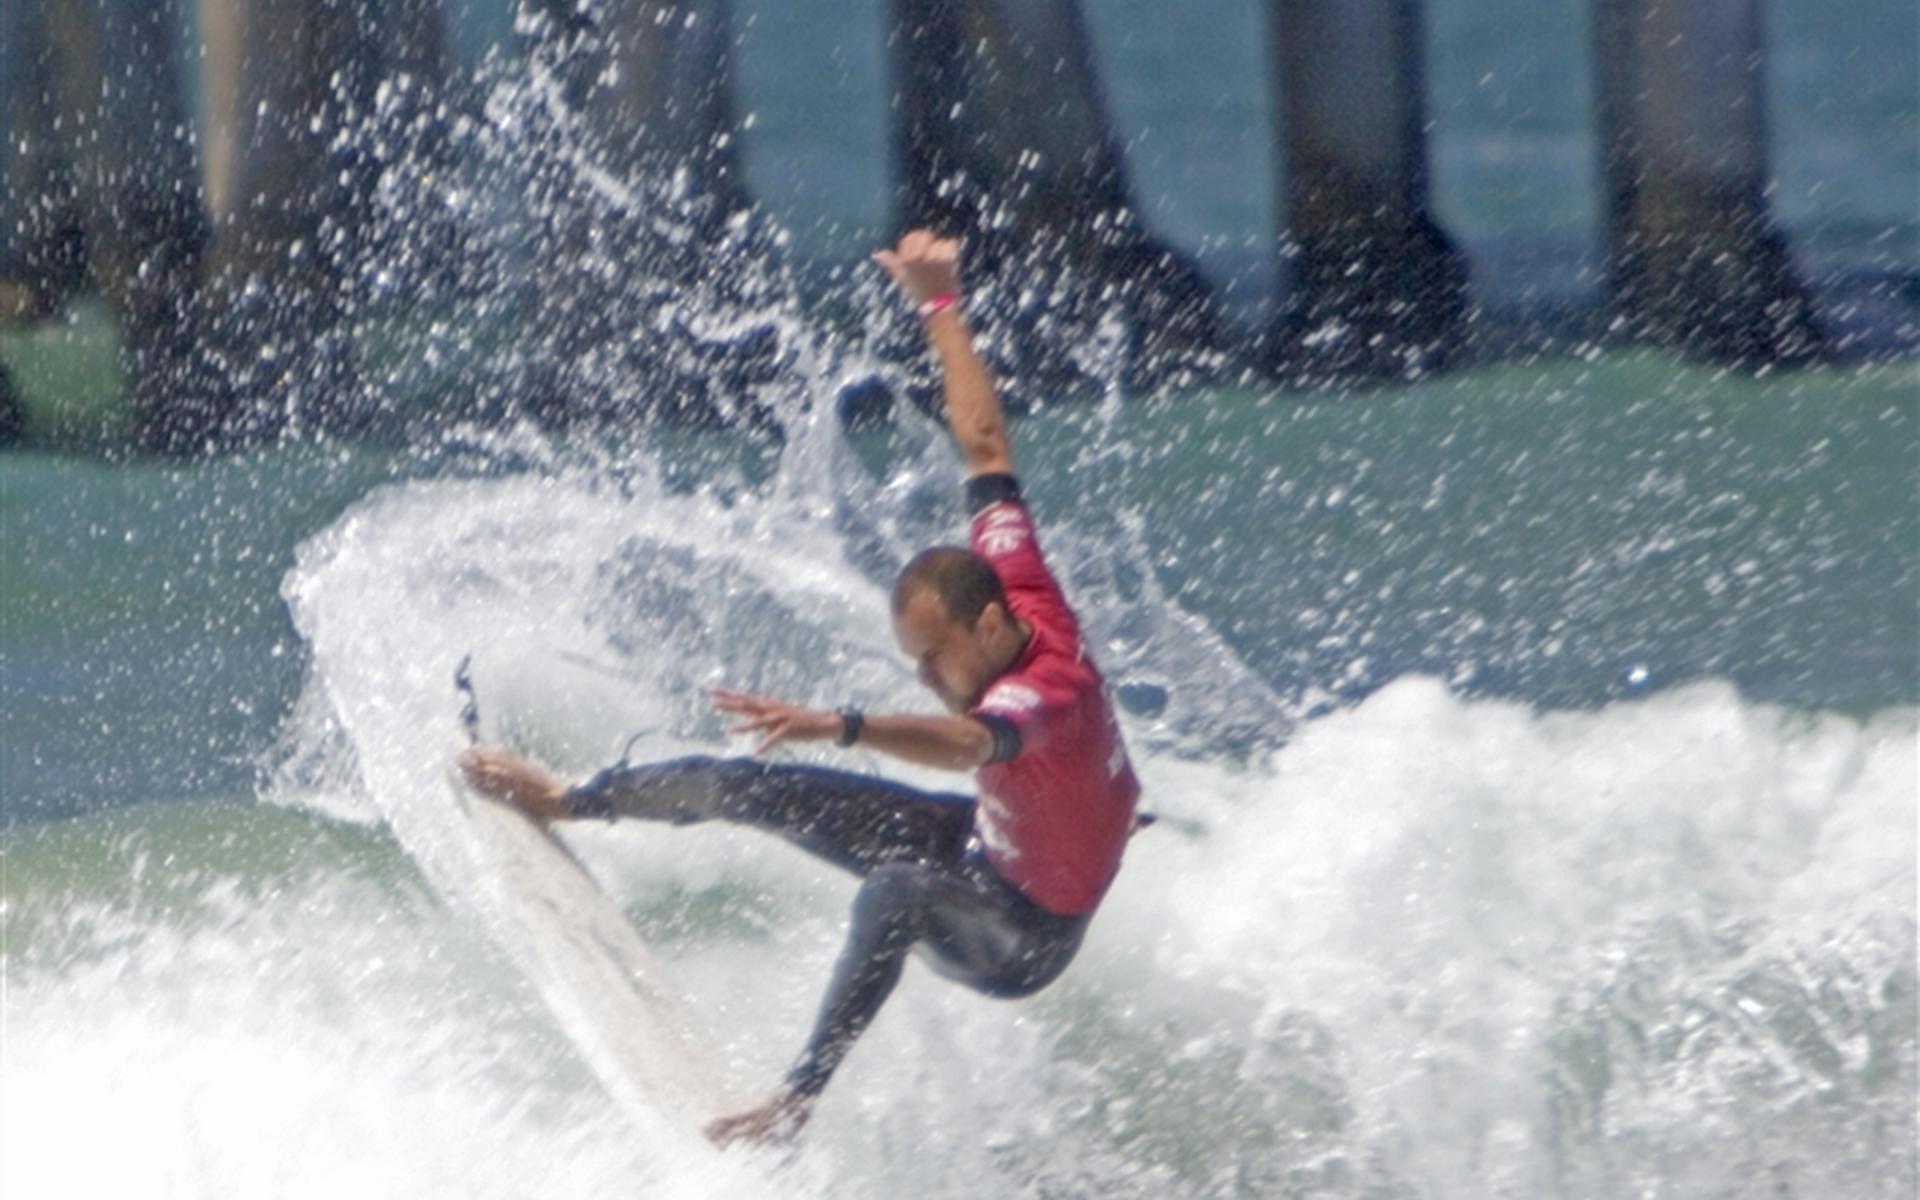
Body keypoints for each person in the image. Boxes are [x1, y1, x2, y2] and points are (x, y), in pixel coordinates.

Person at [459, 229, 1141, 1147]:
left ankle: (794, 1104)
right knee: (752, 784)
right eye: (916, 666)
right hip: (983, 845)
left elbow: (971, 743)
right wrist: (941, 304)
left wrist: (842, 724)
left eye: (936, 661)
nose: (931, 681)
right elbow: (982, 442)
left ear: (987, 628)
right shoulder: (1011, 575)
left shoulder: (1046, 691)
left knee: (897, 893)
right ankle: (574, 799)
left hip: (1023, 935)